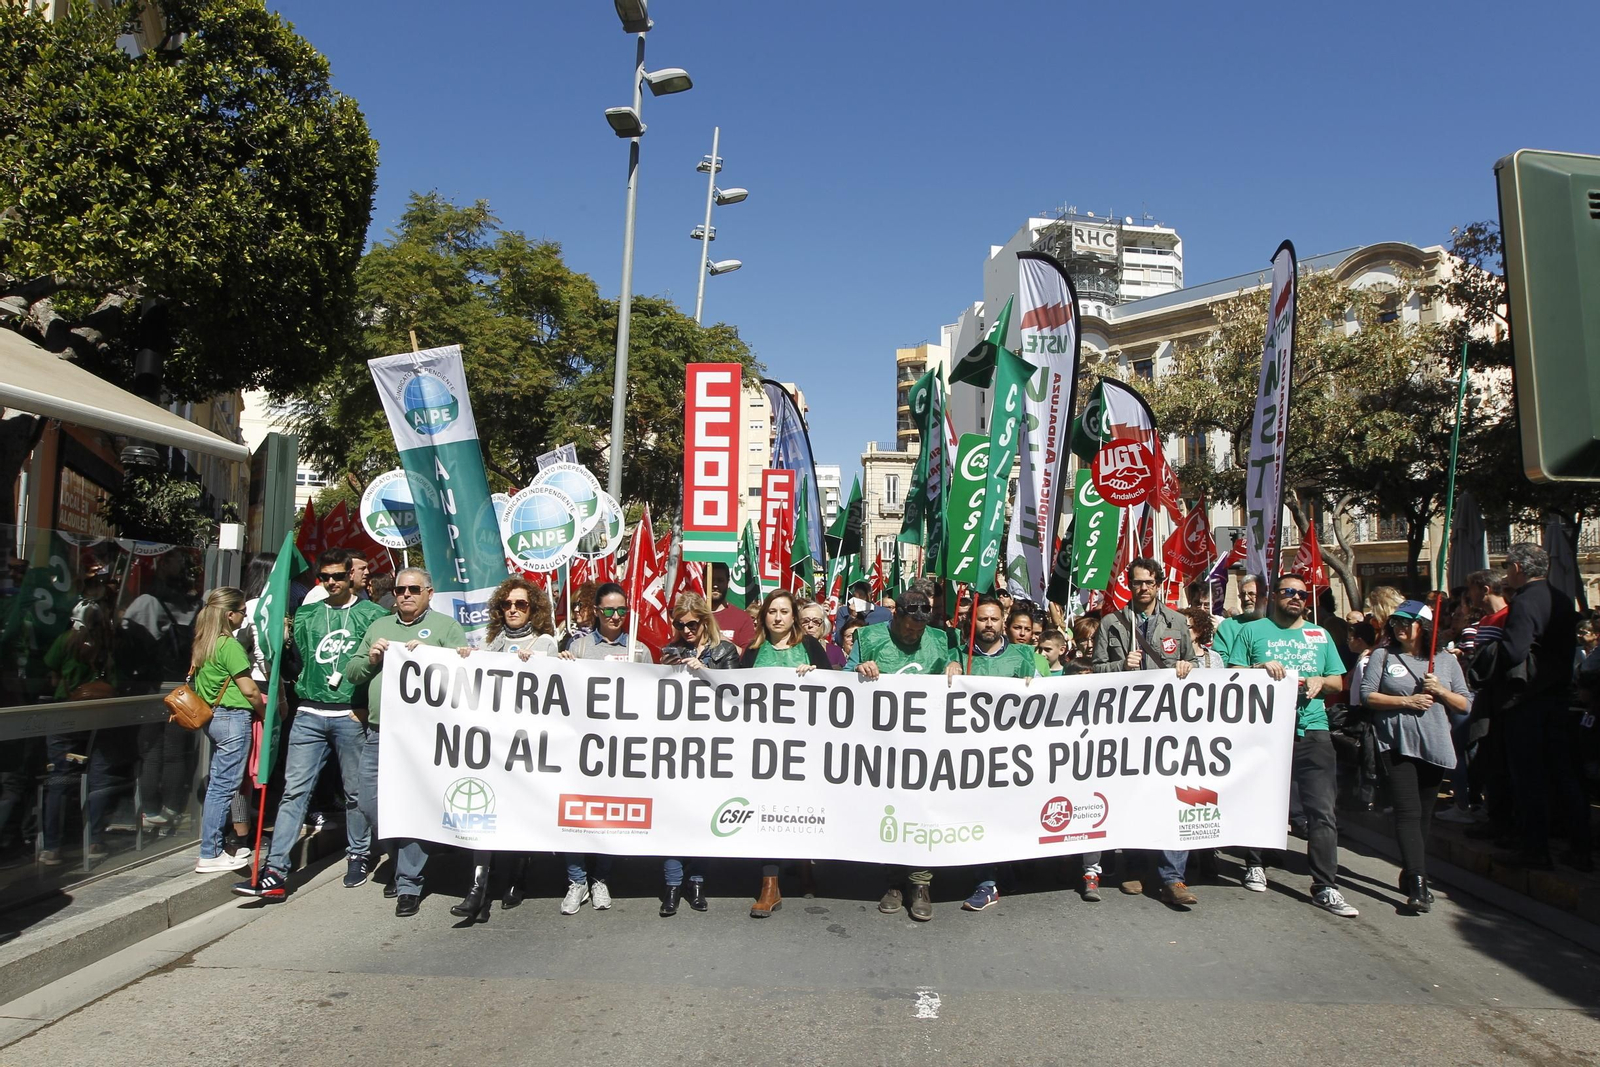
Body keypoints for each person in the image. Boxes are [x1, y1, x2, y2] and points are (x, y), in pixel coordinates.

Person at [233, 550, 389, 901]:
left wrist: (365, 707)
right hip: (309, 714)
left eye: (337, 575)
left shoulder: (372, 614)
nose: (331, 582)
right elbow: (294, 666)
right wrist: (280, 645)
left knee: (355, 793)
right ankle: (274, 870)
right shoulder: (305, 614)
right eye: (324, 577)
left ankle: (359, 854)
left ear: (350, 575)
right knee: (294, 792)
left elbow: (383, 668)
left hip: (351, 714)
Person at [1230, 572, 1358, 917]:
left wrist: (1320, 680)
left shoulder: (1320, 634)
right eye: (1288, 592)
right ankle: (1254, 862)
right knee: (1261, 800)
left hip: (1313, 729)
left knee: (1322, 811)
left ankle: (1326, 886)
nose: (1296, 597)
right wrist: (1257, 668)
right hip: (1265, 729)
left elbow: (1337, 680)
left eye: (1301, 593)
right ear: (1274, 596)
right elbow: (1231, 675)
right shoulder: (1251, 631)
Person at [345, 569, 467, 917]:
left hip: (424, 736)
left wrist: (435, 657)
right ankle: (401, 863)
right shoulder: (379, 627)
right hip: (380, 732)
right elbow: (352, 672)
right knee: (370, 804)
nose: (406, 595)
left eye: (414, 589)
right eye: (400, 589)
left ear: (429, 592)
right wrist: (370, 660)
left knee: (413, 807)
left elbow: (465, 669)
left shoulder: (445, 627)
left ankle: (409, 883)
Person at [848, 580, 960, 921]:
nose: (914, 635)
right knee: (890, 810)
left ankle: (921, 882)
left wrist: (956, 668)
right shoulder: (868, 638)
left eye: (919, 629)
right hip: (882, 743)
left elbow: (959, 677)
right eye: (909, 628)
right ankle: (894, 880)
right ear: (896, 617)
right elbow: (841, 678)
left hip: (927, 744)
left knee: (922, 811)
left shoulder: (940, 639)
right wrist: (858, 669)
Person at [1092, 558, 1199, 906]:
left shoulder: (1177, 622)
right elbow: (1094, 671)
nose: (1143, 589)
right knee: (1134, 795)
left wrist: (1188, 666)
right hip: (1127, 724)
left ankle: (1173, 877)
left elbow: (1194, 665)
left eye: (1149, 583)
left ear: (1159, 584)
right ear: (1130, 583)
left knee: (1171, 796)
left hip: (1168, 724)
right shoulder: (1112, 623)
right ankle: (1134, 867)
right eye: (1137, 583)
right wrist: (1121, 665)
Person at [448, 577, 556, 921]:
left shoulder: (546, 643)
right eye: (507, 605)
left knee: (517, 814)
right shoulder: (492, 643)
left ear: (533, 609)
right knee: (486, 813)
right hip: (493, 745)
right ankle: (477, 889)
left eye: (521, 604)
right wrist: (465, 658)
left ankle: (517, 876)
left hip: (526, 748)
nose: (513, 610)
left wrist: (535, 664)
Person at [1478, 543, 1590, 871]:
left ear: (1518, 568)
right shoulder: (1562, 598)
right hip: (1558, 697)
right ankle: (1580, 849)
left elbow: (1513, 652)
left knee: (1529, 778)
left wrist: (1491, 650)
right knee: (1566, 775)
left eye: (1508, 565)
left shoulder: (1525, 601)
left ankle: (1535, 849)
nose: (1506, 571)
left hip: (1526, 701)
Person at [1361, 600, 1469, 913]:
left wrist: (1442, 692)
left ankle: (1411, 869)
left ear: (1424, 626)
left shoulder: (1445, 660)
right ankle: (1419, 883)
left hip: (1434, 744)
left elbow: (1465, 704)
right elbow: (1367, 695)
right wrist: (1407, 702)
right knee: (1407, 811)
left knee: (1423, 814)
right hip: (1396, 742)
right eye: (1395, 623)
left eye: (1407, 623)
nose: (1400, 628)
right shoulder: (1383, 655)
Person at [555, 581, 649, 915]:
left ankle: (600, 879)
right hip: (580, 748)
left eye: (621, 610)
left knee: (608, 816)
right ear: (597, 611)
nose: (615, 616)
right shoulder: (579, 647)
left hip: (618, 750)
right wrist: (559, 660)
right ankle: (576, 880)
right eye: (608, 609)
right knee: (573, 815)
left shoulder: (639, 649)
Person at [739, 589, 832, 917]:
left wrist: (816, 676)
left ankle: (804, 863)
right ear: (763, 616)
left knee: (798, 807)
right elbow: (733, 696)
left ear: (794, 616)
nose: (777, 617)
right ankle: (770, 885)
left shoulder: (809, 647)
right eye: (771, 612)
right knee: (766, 811)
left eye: (784, 612)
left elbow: (836, 693)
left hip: (804, 746)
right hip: (764, 748)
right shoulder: (752, 651)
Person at [658, 592, 741, 916]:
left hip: (712, 746)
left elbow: (734, 695)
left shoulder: (725, 651)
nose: (687, 630)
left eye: (692, 624)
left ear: (705, 621)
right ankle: (672, 885)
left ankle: (696, 883)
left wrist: (705, 669)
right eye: (680, 624)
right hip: (678, 746)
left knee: (701, 818)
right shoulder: (671, 651)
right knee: (674, 817)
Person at [960, 594, 1037, 911]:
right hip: (972, 755)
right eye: (982, 619)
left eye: (993, 618)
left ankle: (1005, 867)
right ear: (973, 621)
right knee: (981, 815)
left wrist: (1035, 685)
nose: (988, 624)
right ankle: (986, 883)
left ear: (1003, 621)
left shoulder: (1022, 655)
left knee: (1005, 814)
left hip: (1011, 753)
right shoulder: (960, 655)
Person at [191, 587, 265, 873]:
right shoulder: (229, 645)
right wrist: (264, 712)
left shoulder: (204, 643)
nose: (244, 618)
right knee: (225, 787)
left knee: (219, 785)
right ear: (230, 614)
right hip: (233, 718)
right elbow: (249, 690)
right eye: (243, 613)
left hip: (213, 718)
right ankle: (210, 851)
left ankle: (213, 848)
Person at [1212, 572, 1264, 666]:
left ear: (1264, 597)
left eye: (1252, 594)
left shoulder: (1274, 625)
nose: (1246, 598)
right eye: (1242, 594)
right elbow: (1219, 660)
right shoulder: (1227, 627)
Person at [708, 562, 757, 653]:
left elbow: (748, 656)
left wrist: (723, 641)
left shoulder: (743, 618)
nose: (715, 585)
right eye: (711, 580)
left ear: (728, 582)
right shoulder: (694, 615)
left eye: (720, 580)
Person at [798, 601, 846, 668]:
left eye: (816, 621)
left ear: (824, 626)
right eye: (805, 621)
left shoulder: (835, 651)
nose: (810, 625)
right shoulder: (791, 650)